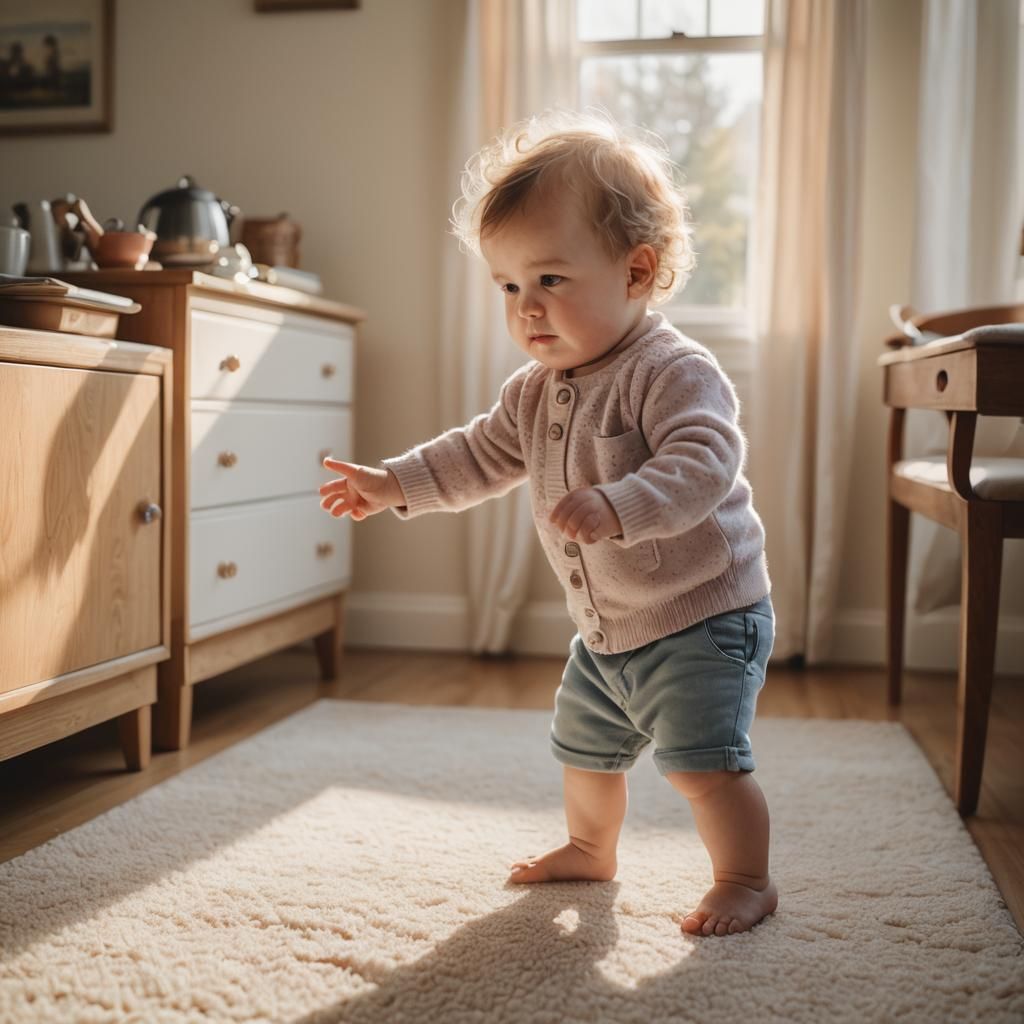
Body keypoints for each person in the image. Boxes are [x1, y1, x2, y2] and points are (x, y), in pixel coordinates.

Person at [318, 109, 776, 938]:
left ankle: (745, 878)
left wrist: (619, 503)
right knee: (584, 748)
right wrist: (394, 484)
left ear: (637, 272)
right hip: (608, 630)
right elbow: (477, 455)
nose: (527, 309)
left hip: (705, 614)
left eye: (552, 281)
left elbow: (706, 463)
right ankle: (589, 848)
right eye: (509, 286)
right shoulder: (533, 390)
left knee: (702, 766)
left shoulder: (672, 371)